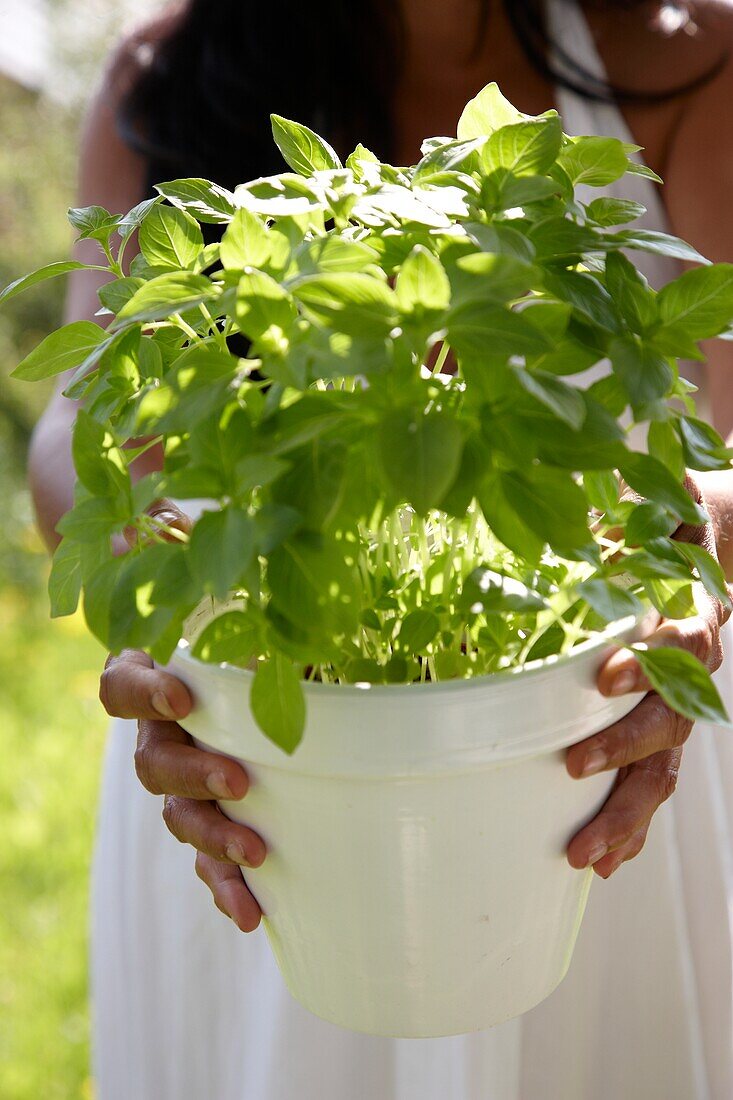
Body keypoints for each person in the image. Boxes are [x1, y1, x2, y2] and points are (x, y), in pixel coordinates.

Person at [28, 0, 733, 1096]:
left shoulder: (696, 59)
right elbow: (74, 433)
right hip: (252, 773)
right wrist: (143, 542)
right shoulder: (160, 75)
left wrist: (706, 524)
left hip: (596, 761)